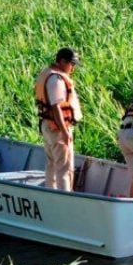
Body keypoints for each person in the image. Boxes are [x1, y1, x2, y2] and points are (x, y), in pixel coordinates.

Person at [34, 47, 83, 191]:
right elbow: (56, 107)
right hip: (57, 128)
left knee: (52, 164)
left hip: (48, 125)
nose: (73, 68)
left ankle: (51, 193)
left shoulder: (48, 73)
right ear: (62, 61)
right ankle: (65, 198)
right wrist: (65, 131)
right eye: (71, 63)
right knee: (64, 168)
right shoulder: (56, 79)